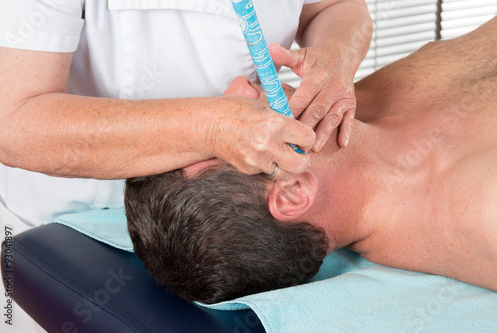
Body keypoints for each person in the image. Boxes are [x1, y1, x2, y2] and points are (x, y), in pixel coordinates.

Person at [0, 1, 372, 331]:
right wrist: (210, 128)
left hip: (230, 231)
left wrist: (337, 52)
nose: (240, 86)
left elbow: (334, 6)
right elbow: (13, 125)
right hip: (68, 217)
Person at [125, 16, 497, 304]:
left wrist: (339, 44)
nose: (239, 86)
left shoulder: (353, 105)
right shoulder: (481, 213)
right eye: (233, 135)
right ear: (293, 192)